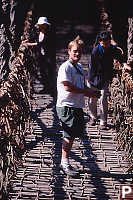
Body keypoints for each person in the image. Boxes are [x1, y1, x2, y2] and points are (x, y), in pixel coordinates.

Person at [56, 36, 101, 177]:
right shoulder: (65, 67)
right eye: (75, 51)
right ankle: (64, 164)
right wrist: (88, 93)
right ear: (69, 51)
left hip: (76, 106)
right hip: (67, 106)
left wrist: (91, 93)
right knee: (68, 135)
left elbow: (80, 87)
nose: (77, 54)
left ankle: (64, 161)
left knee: (72, 135)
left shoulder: (80, 67)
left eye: (80, 51)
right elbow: (68, 87)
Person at [87, 30, 131, 130]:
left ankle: (103, 121)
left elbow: (119, 56)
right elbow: (94, 68)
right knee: (92, 98)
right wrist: (94, 84)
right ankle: (93, 117)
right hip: (94, 77)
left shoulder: (112, 49)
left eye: (107, 43)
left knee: (103, 99)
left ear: (109, 42)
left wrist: (124, 64)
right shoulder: (95, 51)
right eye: (103, 44)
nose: (105, 46)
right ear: (99, 42)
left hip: (105, 77)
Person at [24, 16, 55, 94]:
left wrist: (30, 44)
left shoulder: (49, 34)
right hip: (40, 55)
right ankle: (46, 87)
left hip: (48, 56)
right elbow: (33, 38)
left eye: (43, 24)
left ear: (46, 25)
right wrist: (26, 41)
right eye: (41, 24)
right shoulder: (38, 32)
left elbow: (41, 43)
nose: (42, 26)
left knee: (49, 72)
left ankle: (51, 88)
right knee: (42, 72)